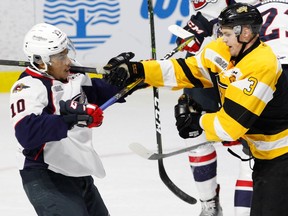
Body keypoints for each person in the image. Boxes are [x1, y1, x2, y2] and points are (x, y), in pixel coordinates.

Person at [103, 3, 288, 215]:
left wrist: (198, 121)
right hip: (266, 156)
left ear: (245, 33)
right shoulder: (223, 48)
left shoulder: (261, 65)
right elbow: (185, 70)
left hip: (281, 158)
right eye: (221, 32)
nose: (222, 38)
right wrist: (139, 69)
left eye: (227, 34)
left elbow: (230, 128)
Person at [9, 23, 129, 216]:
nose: (68, 62)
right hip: (45, 173)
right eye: (60, 57)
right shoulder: (28, 87)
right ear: (41, 61)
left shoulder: (73, 76)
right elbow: (27, 132)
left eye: (66, 53)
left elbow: (98, 92)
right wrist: (69, 118)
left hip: (76, 169)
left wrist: (127, 78)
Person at [174, 1, 258, 215]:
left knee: (253, 144)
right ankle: (209, 204)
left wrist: (214, 21)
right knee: (193, 129)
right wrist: (195, 30)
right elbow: (204, 13)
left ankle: (247, 210)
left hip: (244, 64)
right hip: (207, 62)